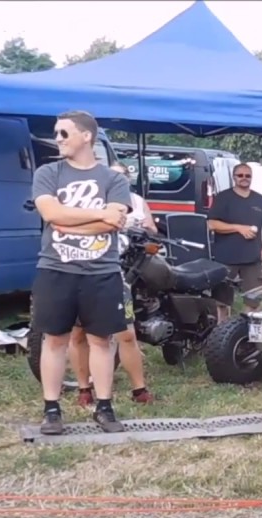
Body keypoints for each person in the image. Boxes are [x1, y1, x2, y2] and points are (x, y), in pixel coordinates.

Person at [31, 110, 131, 434]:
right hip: (55, 268)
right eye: (56, 133)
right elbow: (51, 214)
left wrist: (68, 220)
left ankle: (104, 407)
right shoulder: (48, 172)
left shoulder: (114, 179)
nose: (57, 139)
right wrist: (98, 216)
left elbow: (112, 222)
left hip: (101, 271)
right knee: (54, 340)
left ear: (86, 136)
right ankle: (51, 410)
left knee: (101, 340)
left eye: (63, 133)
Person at [67, 163, 157, 408]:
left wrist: (142, 230)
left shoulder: (136, 201)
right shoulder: (88, 200)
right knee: (78, 333)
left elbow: (152, 229)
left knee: (126, 333)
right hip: (81, 271)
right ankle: (85, 389)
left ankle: (139, 389)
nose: (117, 179)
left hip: (116, 272)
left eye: (122, 176)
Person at [208, 162, 262, 301]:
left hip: (253, 259)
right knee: (221, 301)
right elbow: (211, 224)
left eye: (248, 176)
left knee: (254, 300)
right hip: (226, 258)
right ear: (234, 177)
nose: (244, 178)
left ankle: (249, 315)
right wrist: (238, 228)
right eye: (240, 175)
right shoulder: (223, 198)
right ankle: (223, 316)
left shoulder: (260, 200)